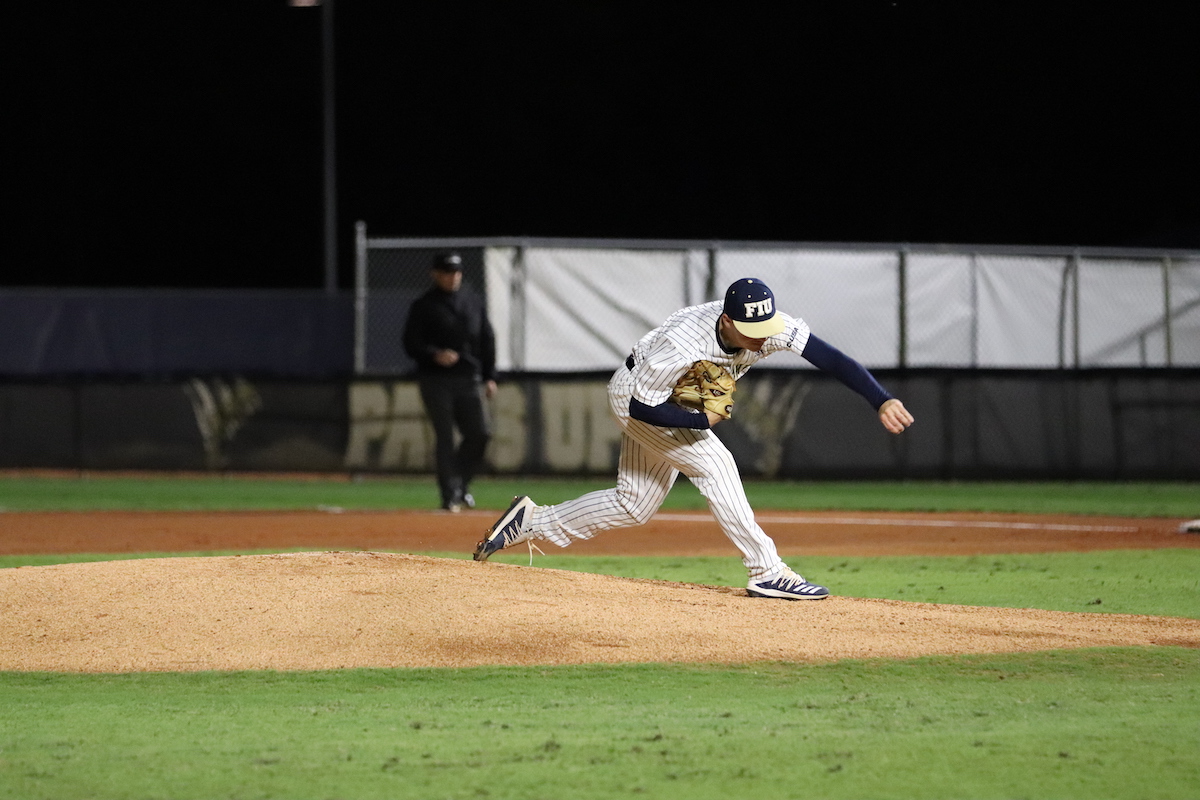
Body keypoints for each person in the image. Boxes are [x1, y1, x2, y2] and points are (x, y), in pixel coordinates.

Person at [473, 277, 914, 600]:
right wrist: (701, 420)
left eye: (765, 330)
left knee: (635, 504)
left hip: (672, 401)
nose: (760, 341)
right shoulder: (684, 343)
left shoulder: (766, 324)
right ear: (727, 320)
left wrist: (880, 399)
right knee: (716, 465)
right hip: (638, 394)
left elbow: (830, 357)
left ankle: (531, 521)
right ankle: (767, 570)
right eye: (750, 333)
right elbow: (640, 408)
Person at [403, 252, 498, 512]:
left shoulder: (472, 301)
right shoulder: (424, 305)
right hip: (436, 379)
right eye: (446, 271)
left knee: (480, 433)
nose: (452, 276)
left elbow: (487, 339)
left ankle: (460, 486)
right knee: (445, 437)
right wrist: (434, 354)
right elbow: (411, 344)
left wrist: (490, 376)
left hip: (469, 378)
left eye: (456, 271)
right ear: (435, 274)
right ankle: (449, 495)